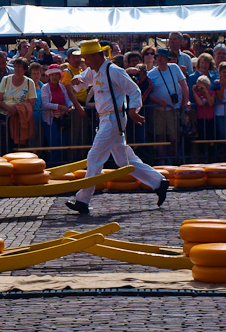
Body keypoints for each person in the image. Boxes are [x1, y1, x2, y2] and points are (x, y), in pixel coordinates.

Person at [65, 40, 168, 214]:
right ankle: (159, 182)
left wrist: (134, 110)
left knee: (94, 156)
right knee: (124, 160)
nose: (85, 63)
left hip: (114, 119)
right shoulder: (94, 71)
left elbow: (134, 90)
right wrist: (77, 80)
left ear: (96, 56)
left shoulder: (114, 71)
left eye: (86, 58)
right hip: (106, 119)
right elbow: (84, 80)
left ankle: (82, 200)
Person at [148, 48, 188, 161]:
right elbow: (148, 93)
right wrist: (157, 101)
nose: (159, 59)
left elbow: (184, 85)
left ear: (167, 58)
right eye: (157, 57)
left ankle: (174, 159)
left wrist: (186, 101)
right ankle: (162, 160)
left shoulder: (174, 68)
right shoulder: (151, 74)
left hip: (173, 109)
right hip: (158, 111)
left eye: (162, 56)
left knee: (174, 137)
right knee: (159, 137)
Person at [0, 57, 37, 147]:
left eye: (20, 67)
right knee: (6, 145)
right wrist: (10, 110)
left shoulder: (30, 83)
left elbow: (31, 103)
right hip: (5, 117)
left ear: (25, 69)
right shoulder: (6, 80)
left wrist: (17, 110)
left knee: (21, 146)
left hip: (21, 118)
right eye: (15, 66)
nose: (17, 69)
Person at [41, 64, 72, 165]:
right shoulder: (45, 88)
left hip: (62, 120)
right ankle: (53, 166)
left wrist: (71, 106)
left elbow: (67, 100)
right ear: (49, 76)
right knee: (53, 145)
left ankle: (62, 165)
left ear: (59, 76)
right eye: (52, 75)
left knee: (62, 144)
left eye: (56, 74)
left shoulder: (62, 87)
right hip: (51, 121)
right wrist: (59, 107)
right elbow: (45, 104)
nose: (54, 77)